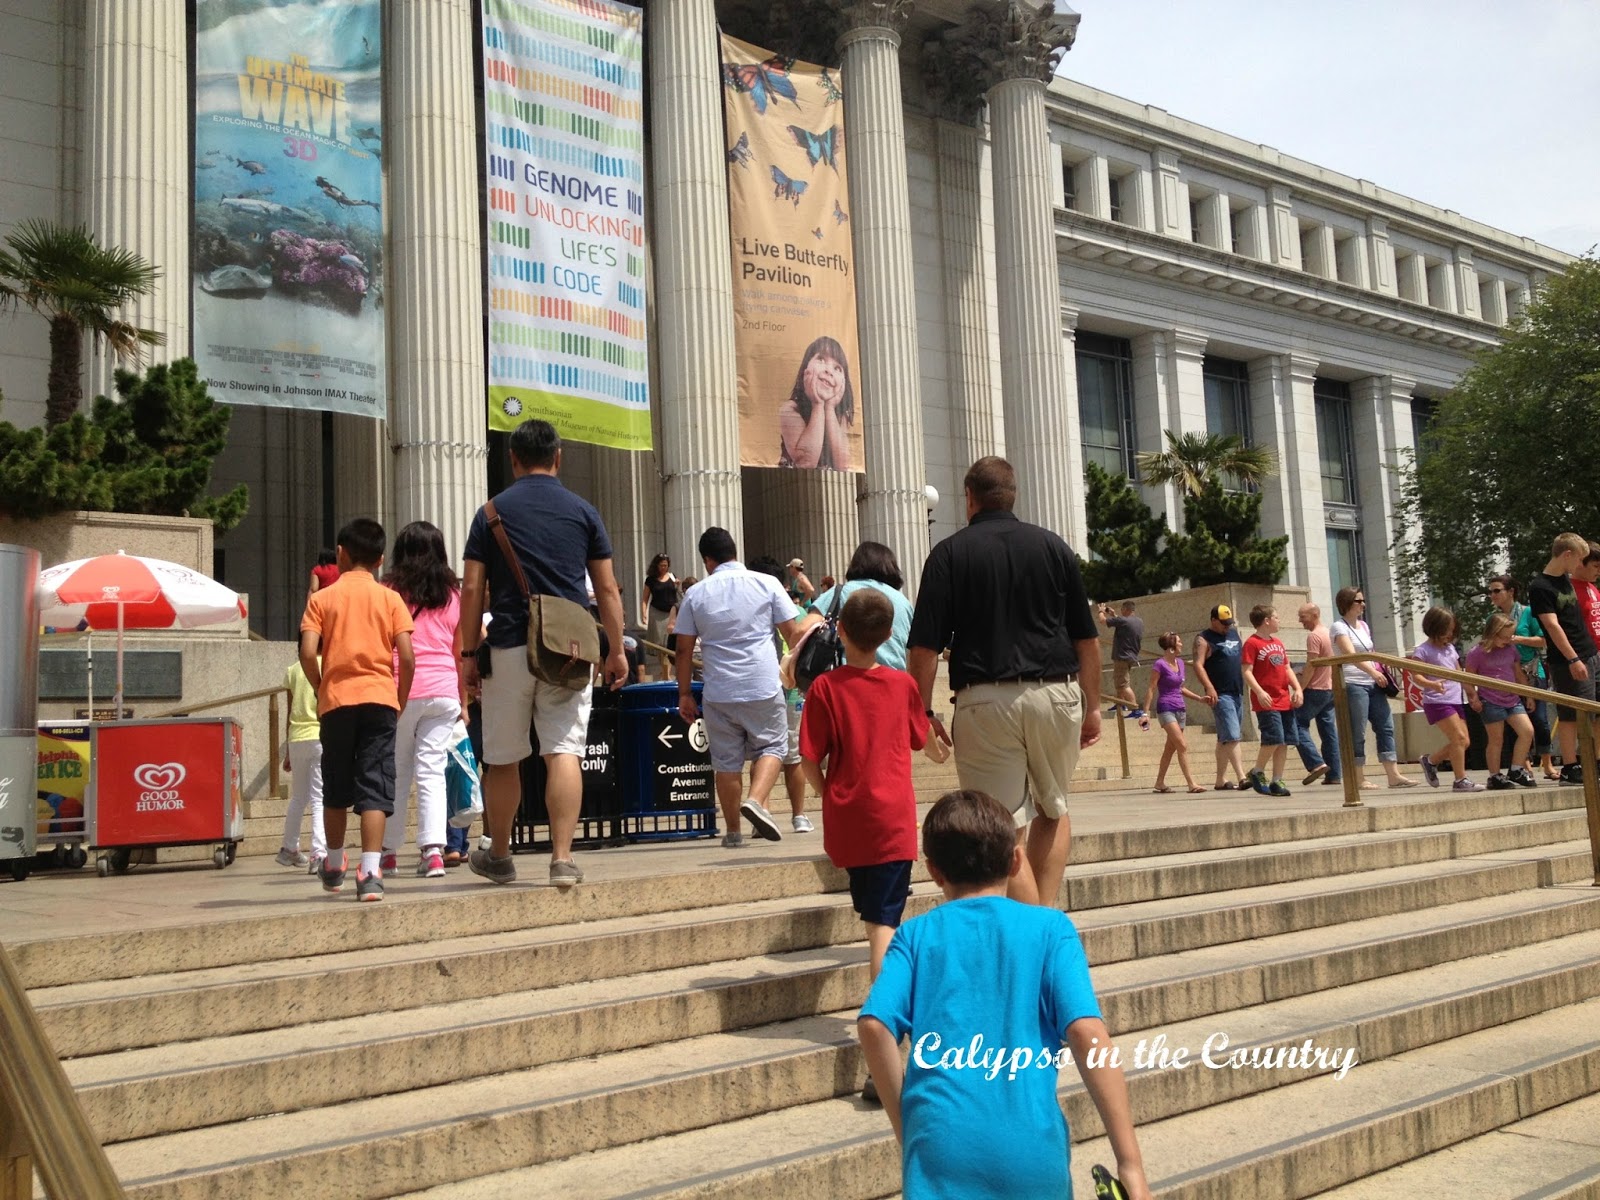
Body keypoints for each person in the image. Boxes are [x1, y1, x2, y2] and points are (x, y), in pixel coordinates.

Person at [857, 790, 1152, 1200]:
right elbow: (1087, 1034)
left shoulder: (913, 935)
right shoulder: (1051, 930)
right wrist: (1130, 1165)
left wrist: (907, 1125)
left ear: (934, 871)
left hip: (941, 1147)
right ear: (1016, 861)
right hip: (1029, 1149)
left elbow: (874, 1026)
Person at [907, 456, 1102, 909]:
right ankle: (1044, 920)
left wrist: (922, 711)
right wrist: (1093, 706)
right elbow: (1087, 641)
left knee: (998, 826)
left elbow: (924, 650)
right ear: (1012, 495)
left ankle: (1028, 928)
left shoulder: (949, 554)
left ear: (969, 497)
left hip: (986, 698)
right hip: (1056, 693)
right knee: (1054, 810)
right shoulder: (1055, 548)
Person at [460, 419, 629, 888]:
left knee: (503, 757)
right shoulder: (583, 511)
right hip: (569, 650)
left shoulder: (490, 513)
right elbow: (608, 589)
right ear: (558, 457)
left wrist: (468, 654)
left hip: (510, 644)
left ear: (513, 459)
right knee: (564, 750)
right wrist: (615, 650)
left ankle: (499, 854)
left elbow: (473, 589)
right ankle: (561, 858)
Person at [800, 588, 929, 1100]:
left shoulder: (826, 688)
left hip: (850, 821)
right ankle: (888, 1054)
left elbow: (809, 757)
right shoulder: (901, 686)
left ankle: (890, 1047)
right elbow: (921, 740)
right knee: (884, 931)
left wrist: (826, 792)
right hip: (893, 820)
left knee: (878, 924)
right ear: (887, 634)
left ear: (842, 632)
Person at [299, 518, 415, 902]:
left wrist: (321, 688)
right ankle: (369, 871)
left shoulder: (322, 599)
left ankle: (333, 863)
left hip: (336, 701)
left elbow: (306, 651)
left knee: (335, 784)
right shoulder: (390, 598)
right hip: (381, 698)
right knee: (375, 785)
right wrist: (398, 697)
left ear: (342, 554)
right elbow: (408, 657)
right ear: (381, 559)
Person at [673, 528, 804, 846]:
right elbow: (793, 634)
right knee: (773, 747)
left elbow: (683, 650)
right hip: (762, 683)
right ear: (735, 551)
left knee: (726, 763)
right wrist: (794, 672)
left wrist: (685, 694)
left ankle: (732, 832)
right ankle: (757, 801)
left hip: (719, 689)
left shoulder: (695, 594)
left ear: (708, 560)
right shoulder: (767, 583)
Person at [382, 521, 464, 879]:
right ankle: (433, 851)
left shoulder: (388, 590)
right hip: (444, 689)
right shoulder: (453, 593)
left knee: (397, 771)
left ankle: (387, 851)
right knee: (432, 770)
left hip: (400, 687)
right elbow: (459, 651)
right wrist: (464, 701)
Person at [1329, 586, 1417, 790]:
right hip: (1353, 683)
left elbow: (1371, 652)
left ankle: (1393, 775)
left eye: (1362, 601)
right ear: (1347, 603)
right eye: (1358, 601)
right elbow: (1351, 655)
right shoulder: (1338, 627)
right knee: (1357, 731)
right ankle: (1358, 777)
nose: (1363, 605)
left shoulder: (1364, 626)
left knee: (1385, 726)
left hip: (1373, 683)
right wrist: (1373, 672)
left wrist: (1379, 675)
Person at [751, 555, 815, 833]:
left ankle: (761, 811)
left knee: (760, 753)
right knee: (792, 757)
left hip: (758, 691)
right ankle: (798, 815)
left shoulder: (749, 611)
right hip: (790, 694)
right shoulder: (797, 613)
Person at [1529, 532, 1598, 786]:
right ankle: (1570, 766)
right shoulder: (1540, 587)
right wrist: (1572, 659)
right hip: (1568, 660)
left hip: (1590, 652)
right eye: (1578, 559)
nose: (1579, 565)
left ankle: (1592, 762)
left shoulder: (1565, 581)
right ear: (1566, 555)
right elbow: (1552, 626)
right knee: (1570, 714)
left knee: (1592, 713)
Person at [1487, 574, 1556, 779]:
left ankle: (1547, 764)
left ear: (1511, 592)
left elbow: (1543, 640)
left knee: (1540, 719)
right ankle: (1523, 764)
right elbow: (1487, 644)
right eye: (1490, 591)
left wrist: (1516, 639)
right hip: (1506, 673)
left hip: (1533, 670)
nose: (1493, 595)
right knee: (1513, 720)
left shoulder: (1528, 612)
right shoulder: (1493, 619)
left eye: (1497, 590)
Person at [807, 541, 916, 669]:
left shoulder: (840, 592)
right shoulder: (903, 603)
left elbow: (802, 629)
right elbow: (912, 650)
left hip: (844, 682)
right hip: (893, 682)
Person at [1410, 606, 1481, 792]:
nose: (1450, 634)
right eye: (1446, 629)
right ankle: (1460, 780)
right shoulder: (1423, 651)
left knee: (1464, 742)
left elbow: (1459, 673)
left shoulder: (1450, 649)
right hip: (1437, 701)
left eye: (1452, 630)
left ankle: (1431, 761)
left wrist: (1472, 694)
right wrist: (1432, 684)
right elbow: (1415, 676)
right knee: (1458, 738)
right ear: (1435, 627)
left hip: (1455, 699)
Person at [1465, 613, 1536, 789]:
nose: (1508, 640)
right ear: (1493, 633)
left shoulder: (1511, 649)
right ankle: (1494, 775)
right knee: (1496, 739)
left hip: (1512, 698)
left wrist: (1529, 695)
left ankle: (1516, 769)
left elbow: (1518, 673)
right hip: (1490, 700)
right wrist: (1473, 697)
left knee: (1527, 731)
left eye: (1511, 636)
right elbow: (1467, 678)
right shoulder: (1476, 653)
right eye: (1504, 637)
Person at [1242, 604, 1302, 797]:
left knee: (1284, 741)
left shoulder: (1278, 642)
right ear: (1266, 621)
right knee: (1273, 738)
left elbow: (1286, 668)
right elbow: (1246, 671)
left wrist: (1297, 688)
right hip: (1267, 701)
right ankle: (1257, 771)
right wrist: (1259, 692)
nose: (1279, 620)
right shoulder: (1252, 643)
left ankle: (1277, 779)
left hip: (1283, 698)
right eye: (1276, 617)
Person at [277, 656, 325, 871]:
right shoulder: (328, 664)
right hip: (320, 735)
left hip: (296, 738)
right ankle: (319, 853)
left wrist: (287, 749)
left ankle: (289, 849)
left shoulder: (294, 669)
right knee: (319, 798)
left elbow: (290, 712)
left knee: (298, 797)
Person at [778, 335, 854, 471]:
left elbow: (844, 465)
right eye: (821, 359)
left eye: (837, 368)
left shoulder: (839, 416)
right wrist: (818, 405)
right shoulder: (790, 409)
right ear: (805, 370)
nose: (829, 371)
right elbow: (806, 463)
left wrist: (829, 408)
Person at [1143, 632, 1206, 794]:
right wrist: (1145, 713)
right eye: (1178, 642)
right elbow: (1151, 688)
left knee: (1170, 748)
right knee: (1182, 745)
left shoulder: (1181, 663)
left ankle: (1159, 782)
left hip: (1180, 708)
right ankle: (1192, 784)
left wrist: (1198, 698)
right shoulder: (1159, 664)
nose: (1181, 645)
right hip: (1166, 708)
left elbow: (1180, 688)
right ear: (1170, 647)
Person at [1192, 605, 1246, 790]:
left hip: (1237, 690)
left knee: (1224, 738)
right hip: (1220, 693)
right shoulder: (1204, 639)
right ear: (1213, 620)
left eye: (1229, 623)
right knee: (1232, 736)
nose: (1227, 627)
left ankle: (1220, 780)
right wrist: (1209, 687)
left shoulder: (1233, 634)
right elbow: (1198, 665)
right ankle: (1242, 777)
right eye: (1223, 623)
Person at [1293, 603, 1340, 787]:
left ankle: (1316, 763)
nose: (1300, 620)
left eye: (1302, 616)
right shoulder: (1328, 633)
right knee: (1328, 732)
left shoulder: (1314, 636)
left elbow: (1312, 664)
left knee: (1296, 723)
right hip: (1330, 690)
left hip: (1316, 689)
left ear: (1314, 615)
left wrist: (1300, 688)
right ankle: (1334, 774)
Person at [1099, 600, 1145, 719]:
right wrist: (1114, 615)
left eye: (1122, 609)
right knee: (1120, 682)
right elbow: (1123, 624)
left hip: (1122, 656)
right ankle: (1121, 704)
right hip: (1131, 656)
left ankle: (1135, 709)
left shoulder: (1123, 620)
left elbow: (1102, 621)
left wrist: (1101, 611)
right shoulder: (1139, 621)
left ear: (1126, 609)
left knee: (1123, 684)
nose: (1121, 611)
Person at [639, 553, 679, 681]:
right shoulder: (651, 579)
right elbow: (645, 599)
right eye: (662, 565)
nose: (664, 568)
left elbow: (679, 595)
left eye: (666, 565)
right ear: (657, 565)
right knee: (660, 644)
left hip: (671, 613)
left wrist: (678, 585)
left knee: (669, 643)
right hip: (656, 612)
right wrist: (643, 613)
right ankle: (665, 671)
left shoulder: (673, 577)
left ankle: (667, 672)